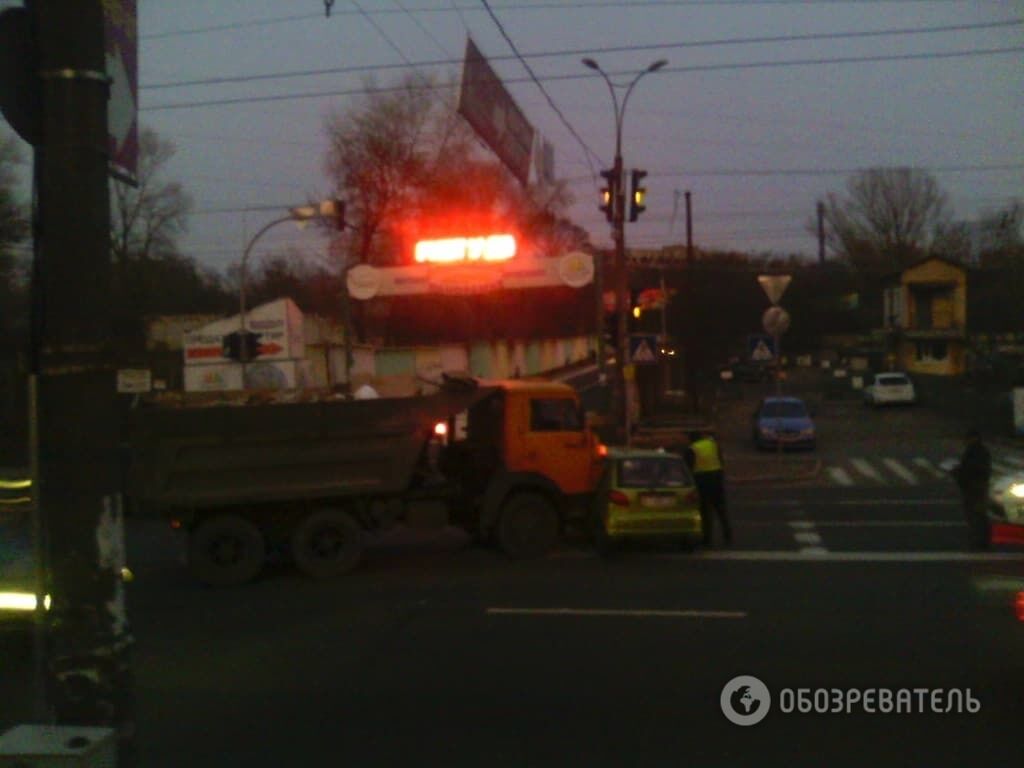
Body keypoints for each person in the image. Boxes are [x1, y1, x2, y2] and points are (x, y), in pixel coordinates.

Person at [686, 429, 732, 547]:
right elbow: (720, 459)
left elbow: (688, 467)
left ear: (691, 439)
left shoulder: (692, 449)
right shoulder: (712, 444)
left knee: (706, 511)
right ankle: (728, 535)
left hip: (701, 480)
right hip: (716, 477)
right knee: (720, 509)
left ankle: (707, 538)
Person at [953, 428, 992, 550]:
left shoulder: (974, 452)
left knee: (975, 516)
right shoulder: (981, 451)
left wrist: (958, 472)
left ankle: (979, 542)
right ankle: (981, 541)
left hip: (974, 487)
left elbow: (971, 469)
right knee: (978, 515)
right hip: (977, 486)